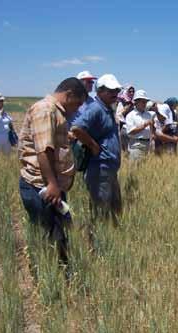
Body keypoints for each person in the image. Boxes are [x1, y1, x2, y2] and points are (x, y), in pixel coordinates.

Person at [18, 78, 87, 266]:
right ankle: (49, 279)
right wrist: (52, 184)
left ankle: (62, 275)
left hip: (51, 187)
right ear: (69, 94)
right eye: (78, 103)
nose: (78, 108)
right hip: (42, 188)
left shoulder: (55, 112)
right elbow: (43, 150)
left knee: (59, 233)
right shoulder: (45, 110)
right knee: (49, 237)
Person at [71, 74, 123, 224]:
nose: (115, 93)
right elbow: (77, 128)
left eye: (117, 90)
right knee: (100, 211)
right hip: (100, 168)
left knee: (113, 208)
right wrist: (94, 146)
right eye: (111, 90)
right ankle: (97, 243)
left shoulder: (107, 109)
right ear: (99, 91)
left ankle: (107, 240)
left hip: (109, 168)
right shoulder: (96, 109)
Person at [125, 90, 153, 160]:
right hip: (136, 144)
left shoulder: (148, 114)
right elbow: (131, 131)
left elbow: (152, 129)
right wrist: (145, 125)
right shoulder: (131, 115)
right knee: (135, 168)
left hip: (148, 144)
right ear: (136, 102)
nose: (145, 104)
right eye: (143, 102)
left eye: (146, 102)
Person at [116, 85, 135, 152]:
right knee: (125, 149)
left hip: (132, 127)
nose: (132, 93)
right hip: (123, 128)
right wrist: (126, 109)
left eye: (133, 91)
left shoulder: (133, 103)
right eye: (130, 91)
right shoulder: (122, 103)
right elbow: (119, 115)